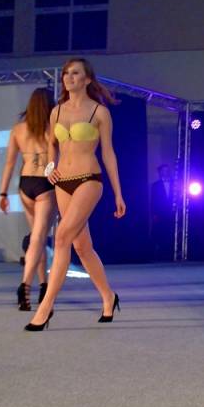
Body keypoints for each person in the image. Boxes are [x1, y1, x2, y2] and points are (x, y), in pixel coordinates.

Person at [24, 58, 126, 331]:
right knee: (82, 246)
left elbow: (109, 153)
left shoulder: (99, 112)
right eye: (66, 73)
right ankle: (108, 296)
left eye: (75, 73)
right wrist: (50, 167)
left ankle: (45, 307)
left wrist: (118, 193)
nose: (69, 77)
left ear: (87, 79)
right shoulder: (56, 111)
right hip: (62, 183)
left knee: (61, 238)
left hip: (89, 180)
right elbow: (51, 145)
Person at [0, 88, 56, 311]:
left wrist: (3, 193)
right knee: (39, 238)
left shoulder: (18, 129)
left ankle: (43, 285)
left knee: (36, 238)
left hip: (25, 185)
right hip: (45, 184)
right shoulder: (53, 127)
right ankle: (25, 285)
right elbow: (58, 159)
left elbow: (9, 163)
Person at [151, 163, 175, 260]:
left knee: (170, 231)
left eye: (167, 170)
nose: (166, 172)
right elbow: (153, 200)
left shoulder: (174, 184)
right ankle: (160, 255)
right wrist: (154, 213)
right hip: (160, 213)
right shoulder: (155, 185)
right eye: (164, 170)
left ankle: (170, 253)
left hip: (171, 212)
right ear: (160, 172)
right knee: (160, 232)